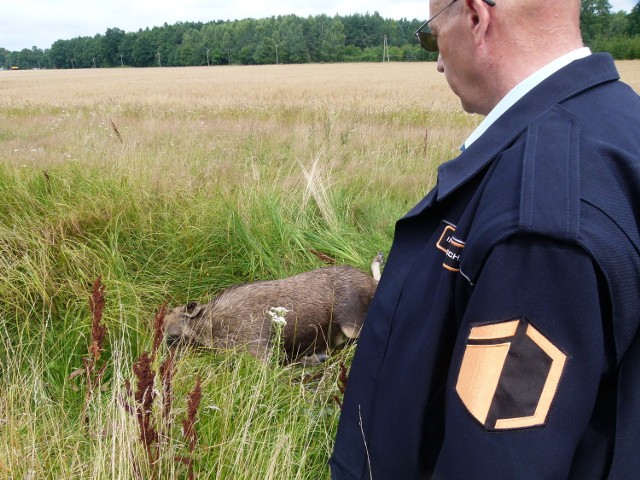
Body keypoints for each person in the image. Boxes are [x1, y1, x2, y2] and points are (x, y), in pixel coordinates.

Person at [330, 0, 640, 478]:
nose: (435, 59)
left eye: (430, 35)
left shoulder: (539, 226)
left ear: (476, 18)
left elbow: (500, 461)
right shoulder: (619, 120)